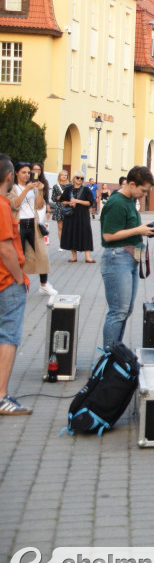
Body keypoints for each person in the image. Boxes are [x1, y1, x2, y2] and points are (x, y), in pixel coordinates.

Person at [99, 166, 154, 348]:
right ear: (132, 184)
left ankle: (116, 350)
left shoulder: (129, 200)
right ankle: (109, 356)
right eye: (143, 190)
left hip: (129, 258)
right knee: (118, 311)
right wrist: (139, 230)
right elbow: (108, 235)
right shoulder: (117, 203)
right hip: (117, 258)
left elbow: (127, 227)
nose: (144, 195)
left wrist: (143, 227)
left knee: (125, 310)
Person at [0, 154, 31, 415]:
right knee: (8, 336)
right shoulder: (1, 205)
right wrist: (19, 279)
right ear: (10, 176)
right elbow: (6, 248)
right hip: (6, 281)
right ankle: (1, 396)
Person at [8, 162, 56, 295]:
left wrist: (40, 190)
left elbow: (39, 205)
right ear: (16, 173)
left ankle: (44, 284)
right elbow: (14, 205)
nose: (26, 175)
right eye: (23, 172)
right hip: (19, 225)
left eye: (29, 173)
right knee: (18, 257)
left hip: (33, 225)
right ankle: (15, 284)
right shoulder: (12, 188)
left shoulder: (34, 188)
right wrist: (26, 190)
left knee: (42, 254)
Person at [59, 171, 95, 263]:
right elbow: (62, 201)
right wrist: (69, 203)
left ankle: (87, 256)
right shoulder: (68, 189)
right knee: (72, 233)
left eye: (81, 178)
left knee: (86, 233)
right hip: (71, 215)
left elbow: (90, 202)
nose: (79, 180)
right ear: (74, 178)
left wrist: (77, 201)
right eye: (78, 177)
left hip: (83, 215)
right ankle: (74, 256)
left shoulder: (86, 190)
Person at [50, 170, 71, 239]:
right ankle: (61, 244)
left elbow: (73, 196)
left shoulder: (70, 186)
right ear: (59, 176)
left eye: (65, 175)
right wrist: (58, 198)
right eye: (62, 175)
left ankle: (68, 242)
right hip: (59, 207)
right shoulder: (56, 186)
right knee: (60, 227)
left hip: (69, 207)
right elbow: (53, 198)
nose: (64, 176)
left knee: (69, 226)